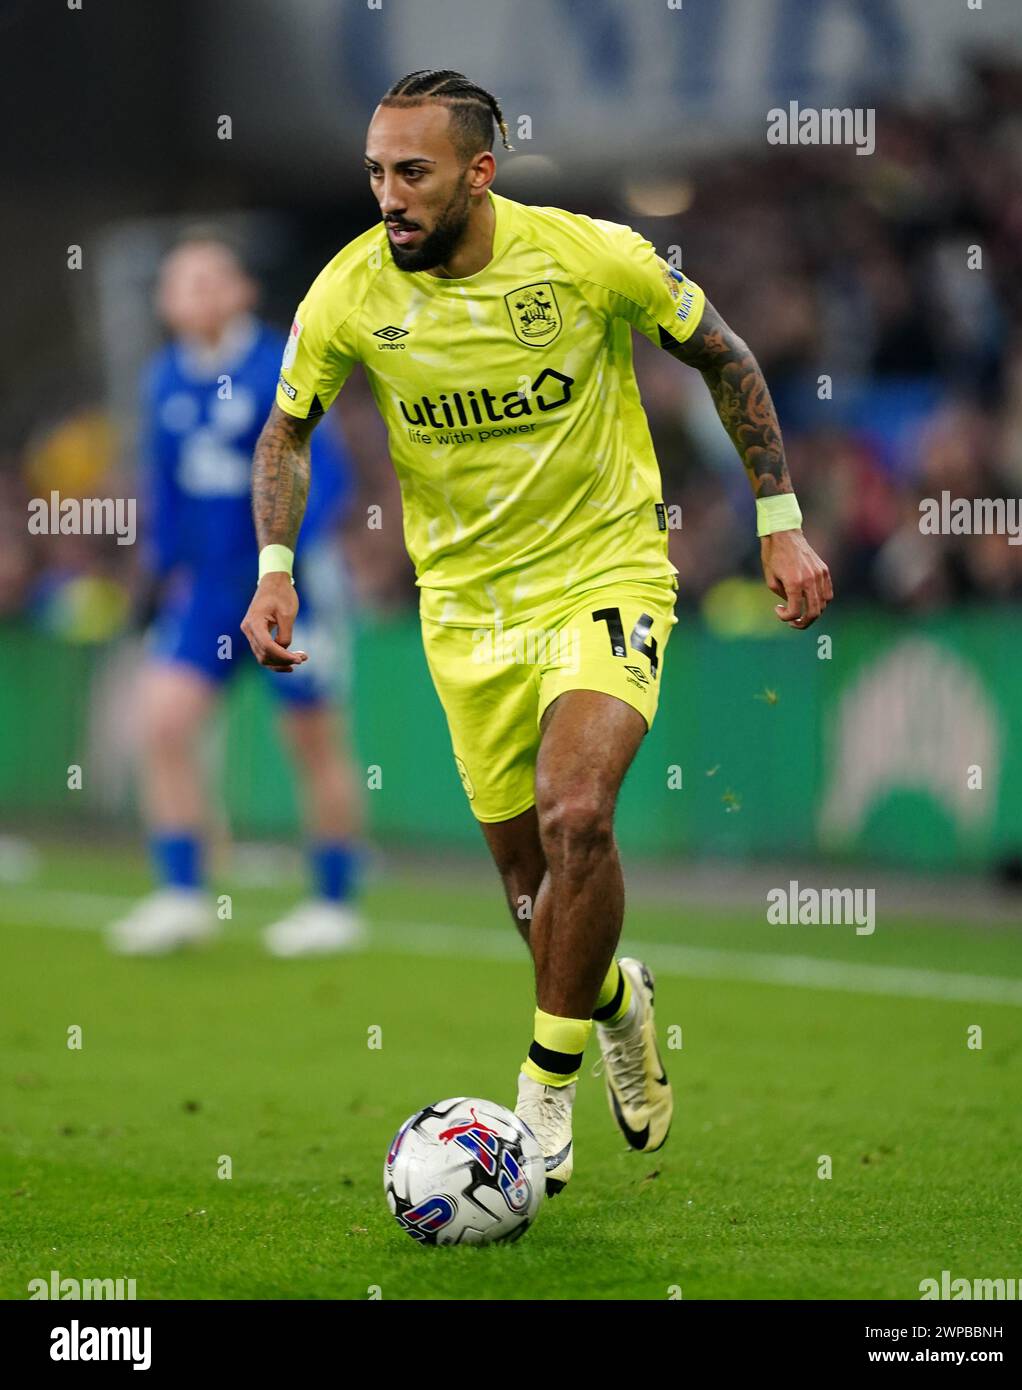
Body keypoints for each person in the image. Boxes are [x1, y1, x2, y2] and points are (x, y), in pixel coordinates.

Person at [241, 72, 832, 1194]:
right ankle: (615, 1001)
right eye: (375, 172)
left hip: (604, 571)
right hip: (467, 611)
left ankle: (539, 1096)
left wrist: (780, 524)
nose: (388, 196)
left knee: (577, 812)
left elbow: (728, 356)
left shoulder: (588, 256)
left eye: (411, 173)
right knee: (534, 892)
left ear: (479, 173)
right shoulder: (349, 293)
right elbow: (286, 433)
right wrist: (276, 569)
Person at [108, 233, 368, 959]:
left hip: (290, 586)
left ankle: (333, 903)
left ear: (242, 292)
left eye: (208, 278)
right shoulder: (163, 378)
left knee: (312, 741)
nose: (193, 293)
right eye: (179, 281)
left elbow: (331, 479)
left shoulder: (279, 368)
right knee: (161, 725)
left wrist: (280, 568)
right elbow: (162, 488)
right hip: (209, 591)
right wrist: (160, 575)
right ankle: (183, 895)